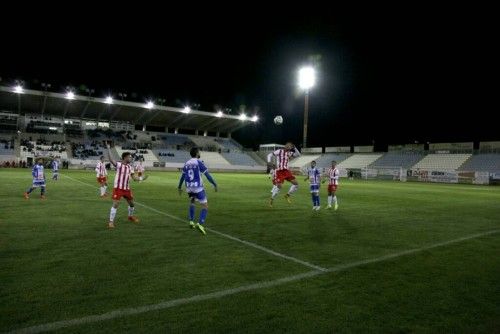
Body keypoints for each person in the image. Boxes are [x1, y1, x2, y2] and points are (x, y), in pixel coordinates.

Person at [177, 147, 218, 235]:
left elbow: (183, 177)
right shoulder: (199, 162)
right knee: (205, 206)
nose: (199, 153)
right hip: (198, 187)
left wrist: (179, 187)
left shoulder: (187, 163)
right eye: (199, 152)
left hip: (189, 187)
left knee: (192, 201)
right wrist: (214, 184)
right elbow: (207, 175)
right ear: (196, 153)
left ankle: (191, 221)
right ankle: (200, 224)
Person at [106, 143, 146, 229]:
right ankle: (111, 222)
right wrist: (108, 148)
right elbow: (111, 160)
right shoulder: (119, 165)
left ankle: (130, 217)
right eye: (130, 157)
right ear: (125, 158)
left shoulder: (130, 167)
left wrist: (141, 178)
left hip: (127, 189)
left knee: (132, 204)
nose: (131, 158)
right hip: (118, 188)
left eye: (131, 157)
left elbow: (134, 177)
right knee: (116, 204)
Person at [266, 142, 300, 207]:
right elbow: (269, 155)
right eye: (289, 146)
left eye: (290, 146)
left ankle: (287, 195)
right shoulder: (279, 151)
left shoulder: (289, 153)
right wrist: (269, 162)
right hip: (279, 171)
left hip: (287, 171)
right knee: (279, 187)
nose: (289, 147)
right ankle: (271, 199)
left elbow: (298, 155)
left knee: (296, 184)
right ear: (285, 146)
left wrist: (295, 147)